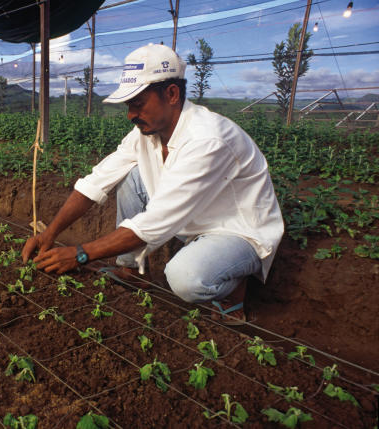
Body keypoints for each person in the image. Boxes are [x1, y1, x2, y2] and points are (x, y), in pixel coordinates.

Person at [22, 43, 284, 324]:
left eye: (138, 104)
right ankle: (131, 272)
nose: (131, 115)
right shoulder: (147, 133)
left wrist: (80, 255)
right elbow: (97, 180)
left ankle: (233, 293)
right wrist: (50, 233)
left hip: (235, 230)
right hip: (193, 216)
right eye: (128, 106)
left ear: (171, 94)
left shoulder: (207, 139)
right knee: (130, 176)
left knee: (185, 278)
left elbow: (155, 222)